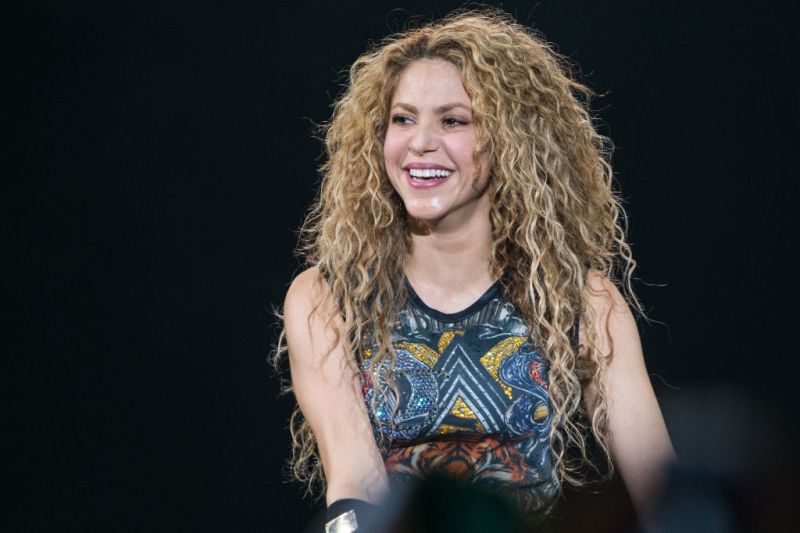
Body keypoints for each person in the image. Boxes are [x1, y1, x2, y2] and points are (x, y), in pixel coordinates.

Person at [278, 8, 675, 532]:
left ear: (510, 140)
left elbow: (663, 491)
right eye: (403, 119)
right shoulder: (327, 299)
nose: (421, 141)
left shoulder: (582, 302)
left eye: (453, 120)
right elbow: (355, 483)